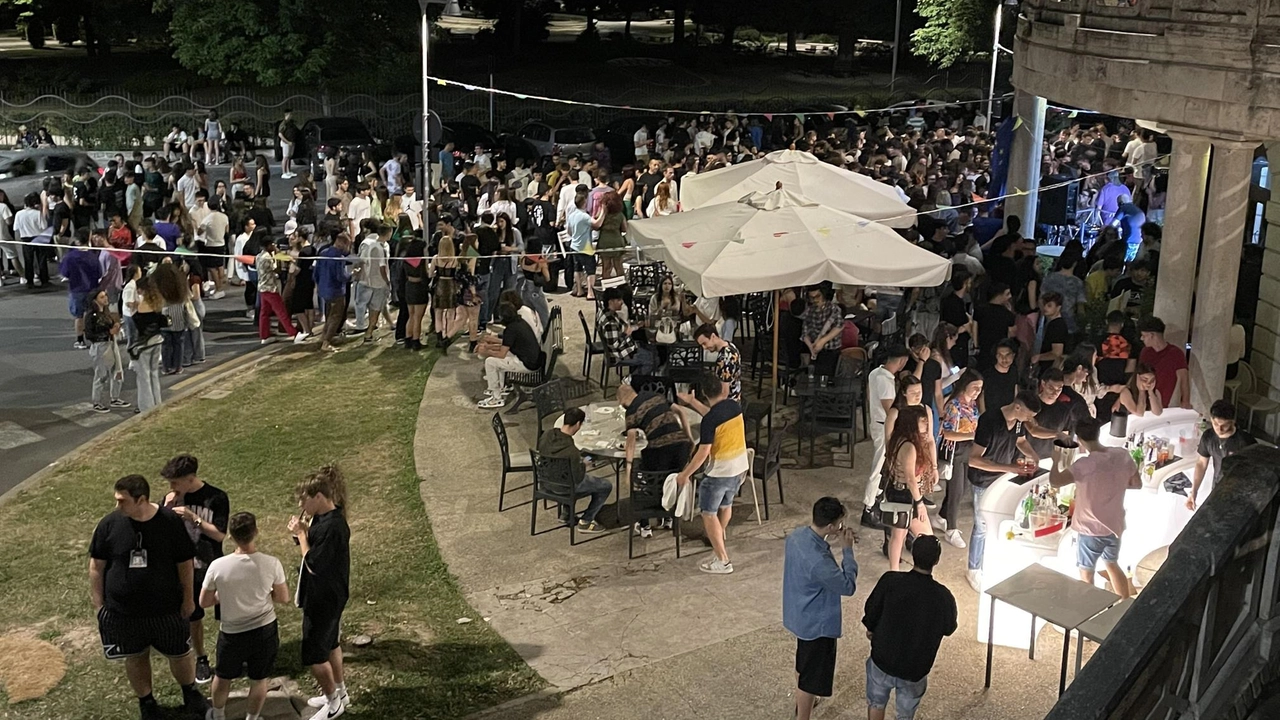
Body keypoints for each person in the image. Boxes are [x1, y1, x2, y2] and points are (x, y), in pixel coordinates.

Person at [89, 474, 209, 720]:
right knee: (135, 656)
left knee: (180, 653)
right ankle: (147, 702)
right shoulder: (109, 524)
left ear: (141, 499)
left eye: (122, 501)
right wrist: (99, 604)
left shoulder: (169, 522)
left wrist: (188, 599)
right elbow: (96, 566)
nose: (117, 506)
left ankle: (190, 693)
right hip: (124, 612)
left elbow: (184, 562)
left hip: (167, 609)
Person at [199, 512, 288, 720]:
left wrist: (222, 595)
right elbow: (283, 597)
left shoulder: (218, 566)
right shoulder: (271, 563)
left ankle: (218, 715)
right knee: (259, 679)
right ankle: (252, 718)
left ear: (231, 536)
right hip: (264, 630)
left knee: (223, 677)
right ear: (255, 532)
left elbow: (204, 602)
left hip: (232, 633)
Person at [861, 535, 957, 720]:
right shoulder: (944, 597)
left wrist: (871, 629)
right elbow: (949, 628)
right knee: (905, 714)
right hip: (915, 667)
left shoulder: (890, 581)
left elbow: (871, 610)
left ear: (912, 554)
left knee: (876, 703)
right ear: (936, 560)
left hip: (883, 658)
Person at [782, 497, 859, 720]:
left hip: (799, 613)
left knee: (803, 662)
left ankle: (806, 699)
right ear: (830, 527)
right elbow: (847, 586)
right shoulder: (819, 562)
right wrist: (847, 551)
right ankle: (803, 715)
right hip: (817, 624)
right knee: (811, 675)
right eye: (840, 524)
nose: (841, 528)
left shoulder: (796, 537)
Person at [159, 454, 230, 686]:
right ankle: (201, 658)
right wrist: (165, 511)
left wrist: (193, 518)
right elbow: (160, 533)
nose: (171, 488)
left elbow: (220, 534)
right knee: (194, 616)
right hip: (186, 568)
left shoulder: (216, 497)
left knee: (226, 615)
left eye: (175, 482)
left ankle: (229, 655)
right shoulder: (170, 499)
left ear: (190, 479)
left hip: (212, 564)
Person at [1049, 416, 1140, 597]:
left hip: (1089, 529)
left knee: (1086, 573)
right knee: (1112, 565)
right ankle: (1124, 605)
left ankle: (1090, 612)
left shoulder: (1084, 465)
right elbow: (1136, 483)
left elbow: (1055, 482)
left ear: (1079, 440)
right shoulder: (1122, 455)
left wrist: (1054, 460)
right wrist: (1115, 483)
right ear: (1098, 433)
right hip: (1115, 526)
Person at [289, 466, 352, 719]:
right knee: (332, 645)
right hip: (332, 595)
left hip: (323, 599)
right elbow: (312, 543)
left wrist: (302, 534)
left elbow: (313, 564)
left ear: (318, 497)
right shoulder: (324, 519)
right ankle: (341, 691)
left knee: (315, 655)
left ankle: (333, 703)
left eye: (304, 499)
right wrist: (303, 532)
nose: (301, 505)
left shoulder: (333, 527)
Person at [965, 390, 1043, 590]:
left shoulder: (1018, 423)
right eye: (1028, 415)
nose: (1029, 420)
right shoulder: (989, 420)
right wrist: (1010, 468)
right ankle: (973, 569)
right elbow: (974, 460)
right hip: (983, 480)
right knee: (981, 526)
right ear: (1017, 407)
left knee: (997, 521)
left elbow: (1021, 441)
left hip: (1002, 478)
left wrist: (1034, 456)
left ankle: (989, 561)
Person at [676, 373, 749, 575]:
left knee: (708, 513)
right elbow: (713, 416)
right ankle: (719, 538)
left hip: (719, 472)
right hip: (740, 467)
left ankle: (723, 560)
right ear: (722, 389)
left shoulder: (710, 420)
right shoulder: (734, 406)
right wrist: (693, 403)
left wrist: (685, 474)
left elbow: (703, 452)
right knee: (726, 505)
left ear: (705, 393)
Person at [618, 382, 693, 537]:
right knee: (670, 480)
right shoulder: (656, 396)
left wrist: (629, 467)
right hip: (681, 446)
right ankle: (668, 517)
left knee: (647, 483)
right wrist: (689, 436)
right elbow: (680, 410)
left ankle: (644, 525)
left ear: (622, 401)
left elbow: (630, 441)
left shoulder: (631, 411)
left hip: (660, 450)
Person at [536, 407, 614, 533]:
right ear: (578, 424)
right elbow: (577, 478)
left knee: (565, 474)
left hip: (545, 481)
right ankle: (586, 521)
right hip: (564, 488)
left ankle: (566, 514)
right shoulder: (571, 452)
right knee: (605, 485)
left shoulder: (547, 435)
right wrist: (584, 465)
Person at [879, 405, 938, 571]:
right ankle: (905, 571)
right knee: (926, 536)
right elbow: (911, 479)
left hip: (899, 491)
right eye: (923, 422)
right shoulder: (909, 447)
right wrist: (920, 503)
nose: (926, 426)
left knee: (899, 535)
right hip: (905, 494)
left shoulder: (898, 440)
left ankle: (894, 570)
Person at [862, 345, 911, 529]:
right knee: (879, 468)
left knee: (882, 467)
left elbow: (869, 397)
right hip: (884, 427)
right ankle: (868, 508)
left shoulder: (876, 373)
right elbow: (889, 409)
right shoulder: (885, 380)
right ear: (901, 361)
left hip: (877, 423)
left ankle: (874, 503)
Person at [938, 370, 983, 548]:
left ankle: (942, 515)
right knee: (956, 490)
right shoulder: (954, 405)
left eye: (980, 388)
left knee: (962, 488)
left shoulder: (972, 404)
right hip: (956, 450)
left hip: (969, 449)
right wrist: (972, 435)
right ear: (965, 385)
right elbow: (947, 433)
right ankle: (951, 529)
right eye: (975, 387)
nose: (978, 391)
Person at [1188, 400, 1257, 511]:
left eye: (1224, 426)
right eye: (1215, 424)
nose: (1219, 430)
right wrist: (1194, 491)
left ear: (1233, 422)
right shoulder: (1208, 437)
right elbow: (1201, 464)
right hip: (1217, 487)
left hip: (1239, 493)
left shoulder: (1245, 442)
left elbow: (1254, 472)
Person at [477, 303, 543, 409]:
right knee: (497, 360)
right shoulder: (520, 322)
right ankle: (502, 388)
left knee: (490, 362)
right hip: (534, 360)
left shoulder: (510, 329)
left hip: (527, 365)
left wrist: (486, 351)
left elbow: (501, 354)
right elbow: (508, 343)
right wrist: (491, 344)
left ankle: (496, 398)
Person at [255, 236, 307, 345]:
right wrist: (280, 258)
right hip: (270, 289)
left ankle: (264, 335)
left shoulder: (259, 256)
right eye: (272, 244)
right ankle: (294, 334)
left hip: (262, 288)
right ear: (268, 245)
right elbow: (277, 269)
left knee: (264, 313)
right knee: (281, 311)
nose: (274, 246)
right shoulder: (267, 258)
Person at [84, 288, 128, 412]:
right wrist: (108, 332)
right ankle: (97, 401)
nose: (105, 299)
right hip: (100, 345)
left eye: (105, 296)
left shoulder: (106, 312)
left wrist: (115, 326)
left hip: (111, 343)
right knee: (101, 374)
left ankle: (115, 397)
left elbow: (111, 324)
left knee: (118, 371)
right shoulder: (91, 316)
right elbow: (89, 335)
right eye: (102, 297)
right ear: (95, 300)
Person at [598, 287, 656, 375]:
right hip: (619, 355)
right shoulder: (610, 322)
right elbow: (614, 345)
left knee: (653, 351)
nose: (622, 302)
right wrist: (626, 334)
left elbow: (624, 327)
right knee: (652, 360)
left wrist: (637, 326)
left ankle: (637, 377)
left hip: (626, 347)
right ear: (611, 302)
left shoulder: (606, 312)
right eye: (619, 300)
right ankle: (630, 382)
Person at [1138, 316, 1190, 409]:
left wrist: (1185, 401)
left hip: (1161, 403)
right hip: (1143, 400)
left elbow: (1184, 378)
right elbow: (1138, 375)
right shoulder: (1145, 352)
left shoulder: (1175, 353)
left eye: (1144, 335)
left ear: (1152, 335)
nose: (1142, 338)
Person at [61, 232, 102, 349]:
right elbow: (99, 272)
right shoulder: (93, 256)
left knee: (78, 316)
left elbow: (65, 273)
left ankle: (80, 340)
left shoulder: (70, 257)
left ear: (77, 241)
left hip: (76, 289)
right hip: (92, 288)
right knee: (93, 313)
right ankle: (95, 337)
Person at [315, 232, 353, 353]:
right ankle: (326, 343)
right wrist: (353, 275)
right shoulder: (338, 257)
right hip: (336, 290)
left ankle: (323, 337)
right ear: (341, 243)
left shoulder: (323, 253)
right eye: (347, 245)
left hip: (323, 289)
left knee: (329, 315)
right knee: (336, 316)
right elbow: (340, 276)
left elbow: (315, 273)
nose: (348, 248)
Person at [800, 285, 844, 377]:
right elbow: (804, 332)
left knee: (828, 378)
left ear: (823, 295)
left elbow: (839, 326)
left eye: (817, 296)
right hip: (815, 351)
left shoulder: (833, 309)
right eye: (812, 298)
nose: (815, 300)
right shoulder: (809, 310)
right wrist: (811, 347)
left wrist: (822, 341)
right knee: (813, 377)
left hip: (831, 350)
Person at [1031, 292, 1068, 374]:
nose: (1045, 308)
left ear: (1058, 308)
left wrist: (1039, 357)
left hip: (1051, 370)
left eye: (1049, 305)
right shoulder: (1054, 324)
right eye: (1044, 305)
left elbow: (1057, 353)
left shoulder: (1057, 326)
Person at [278, 110, 299, 179]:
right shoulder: (284, 123)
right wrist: (287, 141)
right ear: (287, 115)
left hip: (291, 142)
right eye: (290, 114)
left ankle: (288, 171)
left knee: (289, 157)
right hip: (286, 143)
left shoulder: (291, 123)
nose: (291, 116)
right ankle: (284, 172)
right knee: (285, 157)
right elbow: (280, 134)